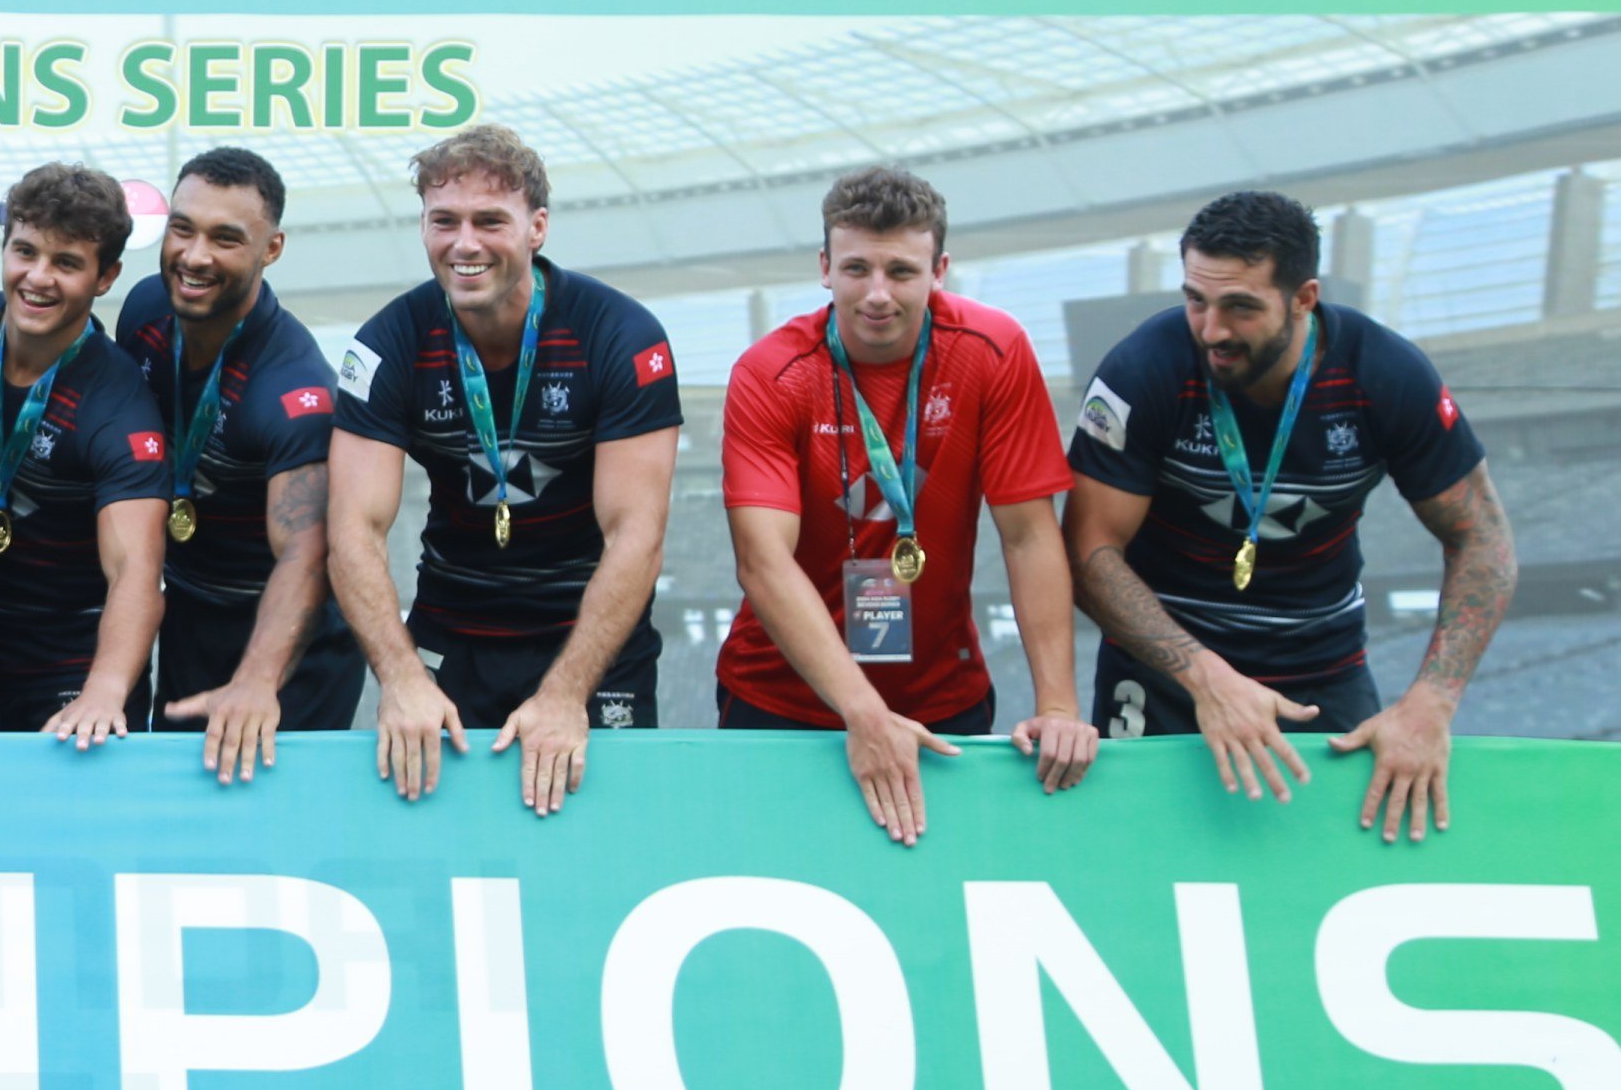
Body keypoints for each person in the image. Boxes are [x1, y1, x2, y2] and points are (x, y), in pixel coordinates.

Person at [1066, 187, 1517, 841]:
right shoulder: (1142, 370)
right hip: (1162, 669)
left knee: (1336, 864)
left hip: (1319, 668)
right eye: (1195, 300)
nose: (1211, 330)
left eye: (1239, 307)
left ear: (1303, 297)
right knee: (1138, 861)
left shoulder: (1384, 375)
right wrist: (1205, 679)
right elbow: (1086, 554)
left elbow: (1483, 540)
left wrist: (1431, 703)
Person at [717, 165, 1093, 846]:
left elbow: (1029, 535)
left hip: (940, 701)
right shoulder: (770, 372)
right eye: (856, 268)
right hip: (780, 701)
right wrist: (864, 714)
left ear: (939, 269)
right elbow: (762, 561)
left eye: (901, 271)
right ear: (824, 268)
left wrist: (1059, 705)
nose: (877, 295)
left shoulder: (993, 350)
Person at [327, 123, 682, 816]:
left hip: (591, 641)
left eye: (489, 220)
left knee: (599, 836)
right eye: (443, 221)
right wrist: (398, 678)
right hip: (450, 638)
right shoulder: (385, 343)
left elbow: (635, 534)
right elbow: (352, 530)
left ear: (536, 227)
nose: (464, 243)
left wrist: (565, 693)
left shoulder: (621, 336)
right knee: (435, 843)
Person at [113, 147, 360, 781]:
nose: (195, 257)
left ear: (271, 248)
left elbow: (307, 554)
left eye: (226, 239)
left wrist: (257, 680)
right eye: (183, 229)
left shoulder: (293, 391)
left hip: (290, 647)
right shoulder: (144, 310)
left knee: (274, 847)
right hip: (192, 618)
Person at [0, 163, 169, 739]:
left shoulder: (119, 404)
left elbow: (136, 571)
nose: (38, 277)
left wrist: (105, 689)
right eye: (24, 251)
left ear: (106, 278)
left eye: (67, 263)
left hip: (68, 657)